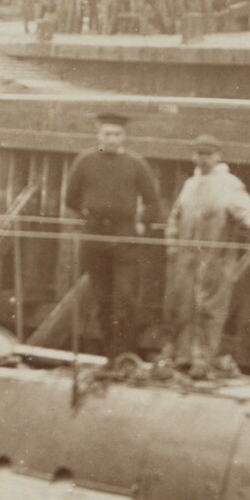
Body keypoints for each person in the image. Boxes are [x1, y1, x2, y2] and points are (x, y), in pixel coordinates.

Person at [164, 135, 250, 378]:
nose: (203, 159)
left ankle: (203, 359)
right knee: (183, 307)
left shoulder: (229, 184)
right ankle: (183, 356)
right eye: (199, 153)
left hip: (216, 257)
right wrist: (171, 244)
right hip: (186, 257)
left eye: (208, 154)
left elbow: (247, 210)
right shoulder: (190, 184)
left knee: (209, 310)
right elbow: (175, 217)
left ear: (217, 156)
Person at [64, 111, 163, 360]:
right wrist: (86, 218)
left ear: (124, 137)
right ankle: (111, 354)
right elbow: (70, 198)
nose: (112, 139)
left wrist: (141, 224)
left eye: (117, 134)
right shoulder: (85, 160)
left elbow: (153, 202)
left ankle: (123, 354)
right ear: (99, 135)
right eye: (107, 134)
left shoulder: (136, 163)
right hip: (94, 236)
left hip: (124, 236)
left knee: (125, 297)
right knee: (102, 299)